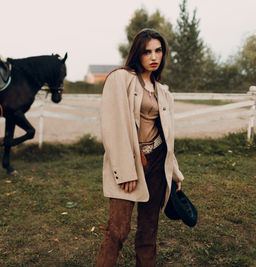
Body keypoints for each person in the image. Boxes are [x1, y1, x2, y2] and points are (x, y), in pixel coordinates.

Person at [96, 28, 185, 267]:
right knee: (118, 229)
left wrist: (174, 174)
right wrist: (126, 170)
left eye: (158, 51)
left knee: (149, 231)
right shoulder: (121, 78)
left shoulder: (163, 92)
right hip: (131, 161)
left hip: (157, 162)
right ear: (138, 53)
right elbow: (113, 127)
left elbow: (167, 136)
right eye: (147, 52)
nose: (154, 57)